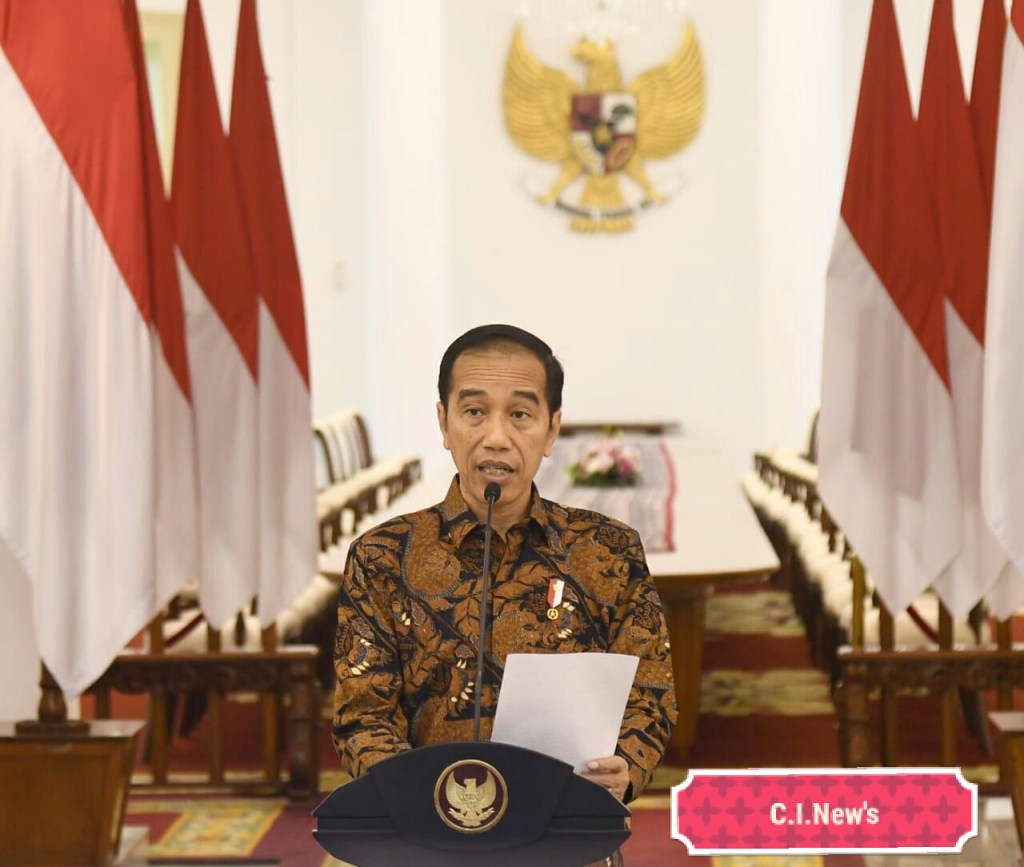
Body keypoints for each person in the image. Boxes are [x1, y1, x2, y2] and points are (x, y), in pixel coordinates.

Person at [332, 324, 677, 826]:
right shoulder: (381, 557)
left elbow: (650, 693)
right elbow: (362, 716)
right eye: (474, 412)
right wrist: (420, 799)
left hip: (566, 829)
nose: (496, 438)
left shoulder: (609, 550)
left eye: (519, 414)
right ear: (444, 423)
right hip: (428, 831)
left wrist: (625, 768)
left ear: (551, 430)